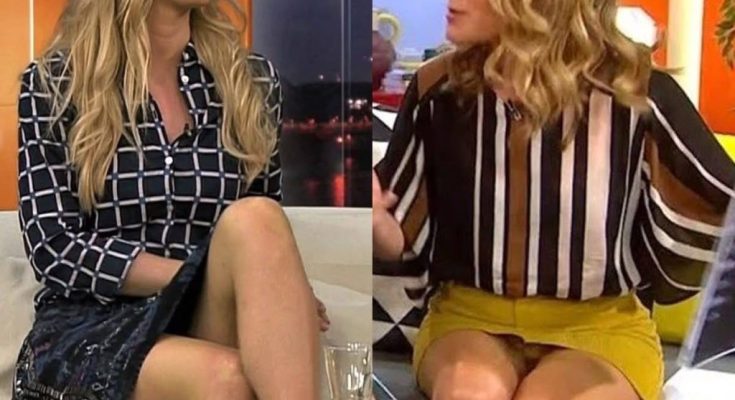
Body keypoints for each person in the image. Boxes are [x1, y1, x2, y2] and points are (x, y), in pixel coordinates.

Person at [373, 0, 735, 399]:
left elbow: (722, 209)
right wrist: (375, 220)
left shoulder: (635, 92)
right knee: (472, 393)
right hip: (467, 319)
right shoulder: (436, 88)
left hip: (604, 327)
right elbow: (400, 237)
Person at [13, 1, 329, 399]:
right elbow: (54, 247)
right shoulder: (55, 83)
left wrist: (277, 288)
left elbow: (260, 228)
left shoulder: (251, 81)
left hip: (202, 317)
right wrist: (191, 278)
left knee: (257, 216)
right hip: (91, 322)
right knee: (226, 379)